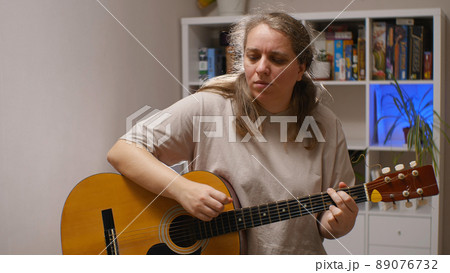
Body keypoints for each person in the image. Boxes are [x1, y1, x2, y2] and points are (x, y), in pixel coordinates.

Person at [107, 12, 358, 254]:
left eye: (277, 59)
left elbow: (329, 222)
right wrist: (181, 189)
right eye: (253, 56)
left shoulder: (325, 124)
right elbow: (123, 151)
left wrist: (340, 222)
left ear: (301, 67)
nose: (261, 68)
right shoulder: (208, 105)